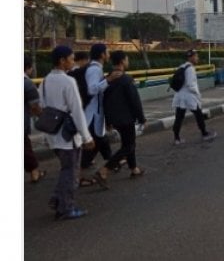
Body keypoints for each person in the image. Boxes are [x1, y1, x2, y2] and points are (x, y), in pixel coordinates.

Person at [38, 46, 95, 220]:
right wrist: (87, 137)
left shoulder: (45, 81)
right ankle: (66, 208)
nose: (73, 61)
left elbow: (41, 106)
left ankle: (57, 199)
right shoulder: (68, 81)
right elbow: (77, 110)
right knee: (70, 172)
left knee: (65, 169)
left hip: (52, 133)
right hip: (67, 136)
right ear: (62, 61)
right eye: (71, 58)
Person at [93, 51, 146, 189]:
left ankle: (134, 169)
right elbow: (135, 101)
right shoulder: (126, 79)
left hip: (115, 119)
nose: (128, 62)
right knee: (129, 146)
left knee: (129, 142)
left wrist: (108, 120)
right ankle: (104, 171)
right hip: (126, 118)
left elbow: (105, 101)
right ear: (122, 61)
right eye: (127, 59)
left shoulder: (108, 79)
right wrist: (141, 118)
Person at [80, 44, 122, 174]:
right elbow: (92, 90)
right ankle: (80, 168)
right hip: (92, 113)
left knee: (101, 138)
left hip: (96, 112)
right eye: (107, 52)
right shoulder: (94, 70)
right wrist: (108, 80)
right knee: (96, 141)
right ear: (102, 54)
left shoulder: (96, 68)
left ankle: (111, 162)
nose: (109, 55)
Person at [171, 49, 217, 145]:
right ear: (191, 57)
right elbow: (190, 85)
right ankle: (204, 134)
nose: (197, 58)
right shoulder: (190, 68)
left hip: (179, 96)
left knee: (179, 116)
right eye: (196, 56)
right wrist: (198, 94)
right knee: (198, 114)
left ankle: (176, 138)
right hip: (189, 96)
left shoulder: (182, 66)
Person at [24, 56, 46, 183]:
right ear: (28, 68)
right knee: (26, 149)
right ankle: (34, 172)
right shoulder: (27, 84)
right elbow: (35, 106)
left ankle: (34, 171)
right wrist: (44, 120)